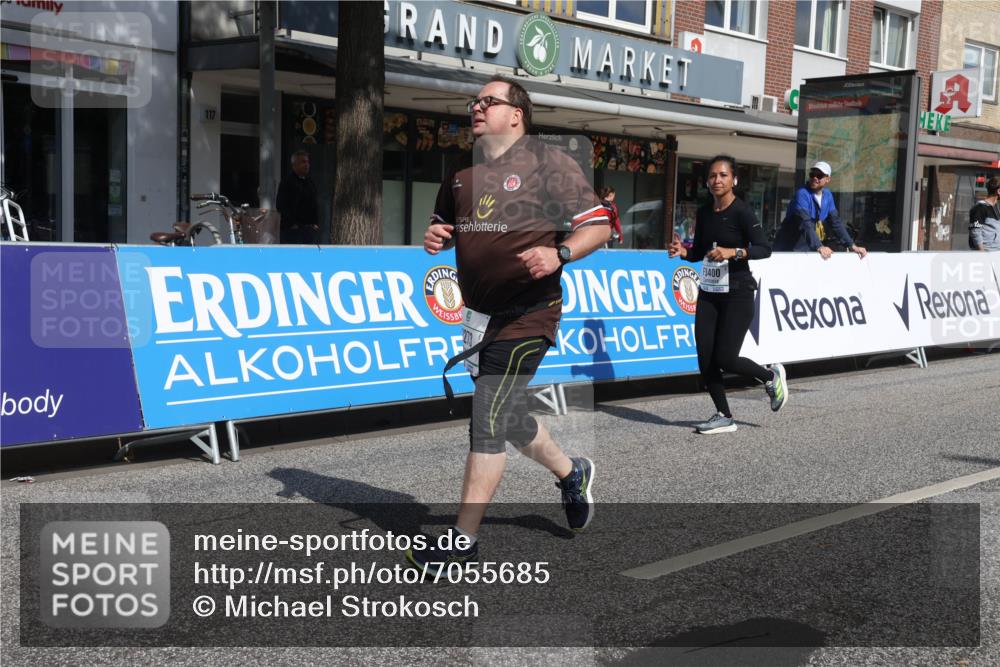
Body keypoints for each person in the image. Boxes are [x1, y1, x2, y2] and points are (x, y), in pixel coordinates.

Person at [408, 75, 610, 574]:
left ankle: (463, 540)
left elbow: (599, 225)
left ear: (516, 113)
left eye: (488, 101)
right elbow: (447, 227)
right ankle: (571, 472)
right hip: (477, 319)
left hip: (529, 313)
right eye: (474, 100)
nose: (476, 107)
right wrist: (437, 236)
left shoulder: (550, 164)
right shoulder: (459, 172)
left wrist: (559, 252)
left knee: (488, 416)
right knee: (509, 414)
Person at [668, 155, 788, 435]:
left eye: (722, 175)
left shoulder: (742, 212)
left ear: (734, 180)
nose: (717, 180)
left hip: (738, 293)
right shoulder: (704, 212)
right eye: (712, 176)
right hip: (709, 293)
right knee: (704, 358)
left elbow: (763, 248)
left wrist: (733, 252)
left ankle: (770, 376)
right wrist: (683, 252)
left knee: (725, 358)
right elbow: (699, 251)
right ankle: (724, 415)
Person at [774, 161, 867, 259]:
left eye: (819, 175)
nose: (815, 177)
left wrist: (852, 245)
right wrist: (819, 246)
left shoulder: (827, 196)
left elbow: (836, 223)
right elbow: (805, 223)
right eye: (812, 174)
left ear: (827, 179)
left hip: (806, 247)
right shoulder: (802, 194)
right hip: (787, 249)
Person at [275, 150, 320, 244]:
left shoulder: (310, 182)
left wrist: (315, 223)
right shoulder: (287, 182)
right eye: (303, 162)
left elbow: (314, 203)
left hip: (308, 229)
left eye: (308, 162)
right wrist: (292, 224)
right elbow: (281, 205)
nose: (307, 165)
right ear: (294, 165)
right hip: (292, 230)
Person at [969, 176, 1000, 251]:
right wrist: (982, 254)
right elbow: (975, 231)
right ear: (998, 191)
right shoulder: (980, 208)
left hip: (995, 251)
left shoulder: (996, 207)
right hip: (985, 253)